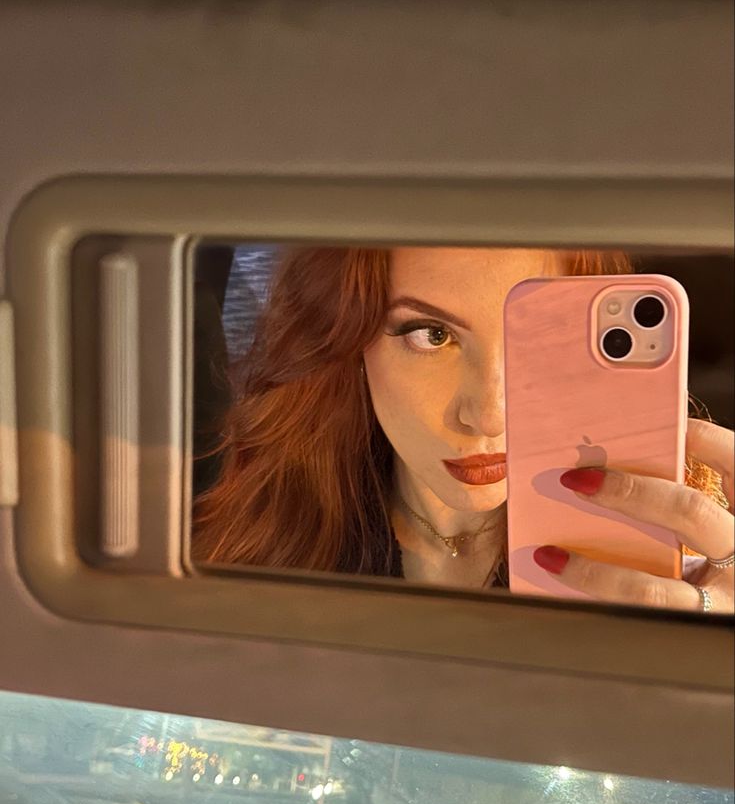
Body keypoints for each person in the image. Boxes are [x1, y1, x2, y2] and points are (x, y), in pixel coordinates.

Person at [193, 246, 734, 613]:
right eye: (431, 335)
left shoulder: (681, 553)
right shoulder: (266, 533)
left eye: (539, 334)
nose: (490, 415)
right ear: (349, 342)